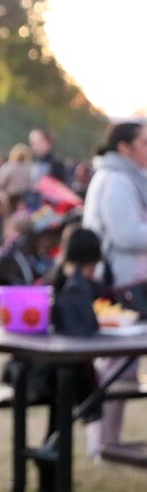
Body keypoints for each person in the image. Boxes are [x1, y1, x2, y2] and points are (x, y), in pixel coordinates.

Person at [82, 121, 147, 453]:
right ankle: (104, 445)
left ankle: (108, 444)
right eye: (144, 143)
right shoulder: (118, 180)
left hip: (127, 282)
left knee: (121, 364)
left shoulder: (123, 177)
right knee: (116, 365)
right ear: (124, 147)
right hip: (121, 284)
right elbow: (127, 235)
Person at [0, 142, 32, 211]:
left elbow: (0, 181)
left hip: (10, 196)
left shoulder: (8, 166)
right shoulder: (28, 168)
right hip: (24, 197)